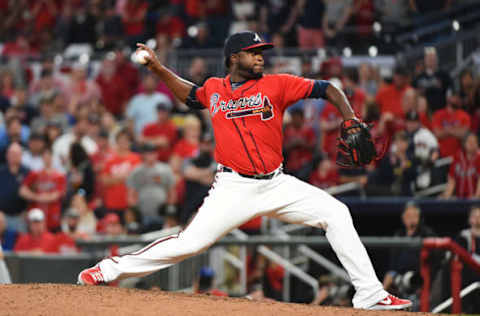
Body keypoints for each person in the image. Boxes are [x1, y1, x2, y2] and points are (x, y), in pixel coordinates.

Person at [78, 31, 411, 310]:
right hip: (233, 188)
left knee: (336, 213)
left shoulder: (278, 84)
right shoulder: (215, 88)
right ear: (233, 58)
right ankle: (107, 270)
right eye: (253, 52)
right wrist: (158, 68)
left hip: (276, 184)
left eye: (261, 52)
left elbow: (328, 88)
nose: (260, 57)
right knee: (189, 244)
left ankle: (369, 293)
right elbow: (192, 96)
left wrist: (350, 117)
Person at [383, 202, 436, 298]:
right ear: (403, 218)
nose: (411, 219)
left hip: (418, 276)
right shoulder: (399, 234)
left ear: (419, 217)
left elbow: (433, 260)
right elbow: (393, 263)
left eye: (414, 216)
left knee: (412, 280)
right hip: (400, 276)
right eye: (408, 216)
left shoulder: (426, 233)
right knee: (389, 275)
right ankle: (379, 302)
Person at [127, 143, 175, 229]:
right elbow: (131, 194)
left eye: (153, 153)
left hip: (161, 212)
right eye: (149, 153)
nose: (151, 156)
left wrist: (169, 207)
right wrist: (135, 209)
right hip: (143, 213)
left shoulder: (165, 169)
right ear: (144, 155)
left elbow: (171, 191)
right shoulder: (136, 171)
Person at [20, 147, 67, 232]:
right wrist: (36, 197)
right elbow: (22, 191)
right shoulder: (35, 174)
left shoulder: (59, 176)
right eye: (45, 157)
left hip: (52, 216)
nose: (47, 159)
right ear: (42, 158)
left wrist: (40, 198)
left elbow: (57, 195)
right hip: (36, 215)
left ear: (52, 158)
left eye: (49, 156)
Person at [0, 143, 29, 232]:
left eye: (17, 154)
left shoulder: (27, 173)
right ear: (7, 155)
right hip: (2, 216)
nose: (14, 156)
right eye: (12, 153)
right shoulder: (1, 172)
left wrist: (27, 211)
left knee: (20, 243)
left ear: (21, 156)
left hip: (20, 217)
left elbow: (33, 194)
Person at [456, 205, 480, 313]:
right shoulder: (464, 236)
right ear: (470, 219)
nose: (477, 219)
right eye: (475, 216)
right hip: (468, 279)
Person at [441, 133, 480, 199]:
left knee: (476, 209)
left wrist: (476, 198)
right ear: (464, 143)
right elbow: (452, 179)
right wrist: (446, 196)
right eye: (469, 141)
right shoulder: (457, 157)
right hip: (460, 199)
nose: (472, 144)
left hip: (476, 200)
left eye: (474, 142)